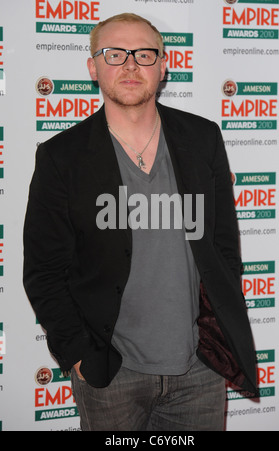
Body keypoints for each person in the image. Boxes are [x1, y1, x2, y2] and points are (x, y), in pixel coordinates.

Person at [23, 13, 257, 431]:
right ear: (93, 67)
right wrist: (78, 354)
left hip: (199, 370)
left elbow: (224, 249)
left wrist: (216, 329)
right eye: (116, 54)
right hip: (110, 374)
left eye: (145, 54)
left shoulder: (203, 138)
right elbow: (43, 271)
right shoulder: (62, 157)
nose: (131, 65)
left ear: (163, 66)